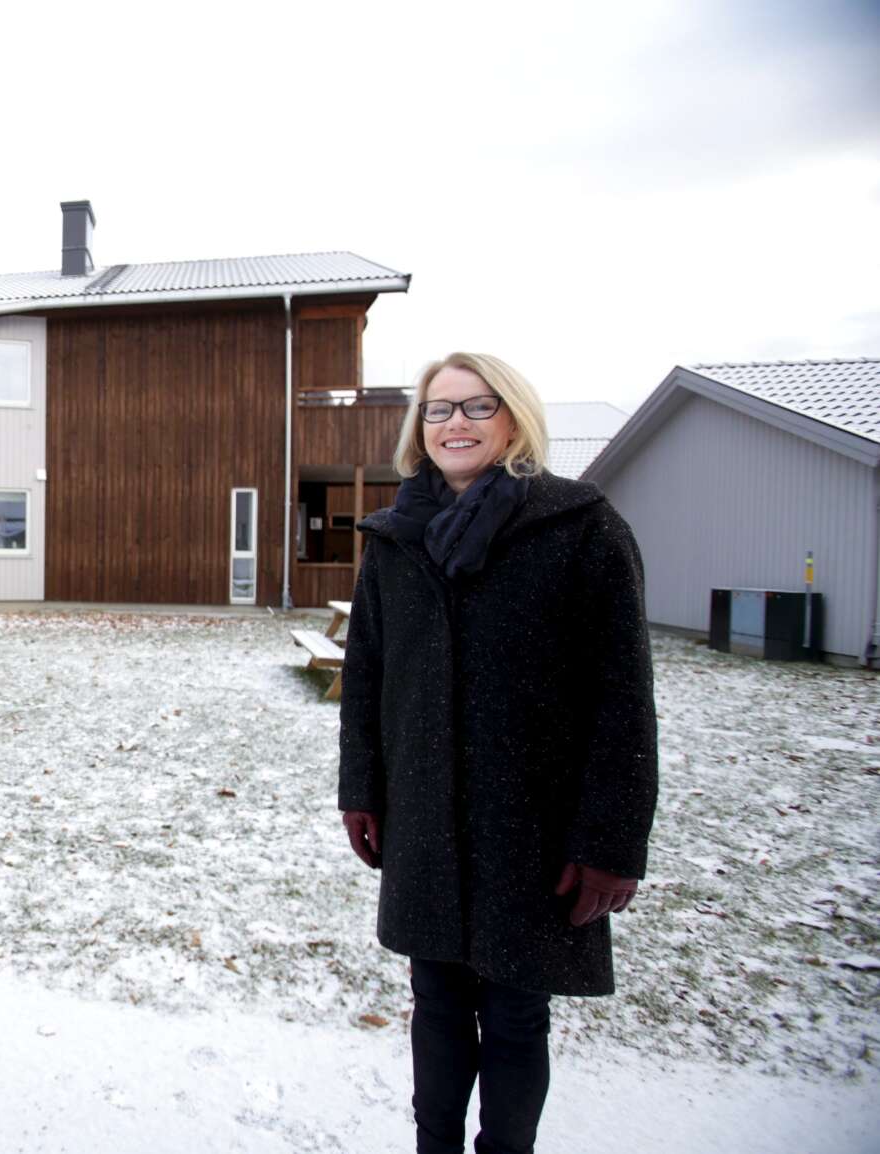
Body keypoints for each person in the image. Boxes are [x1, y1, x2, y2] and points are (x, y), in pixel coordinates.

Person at [337, 352, 658, 1154]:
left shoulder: (579, 528)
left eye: (476, 406)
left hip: (532, 826)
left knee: (516, 1011)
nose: (455, 423)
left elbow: (622, 700)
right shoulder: (394, 539)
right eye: (438, 409)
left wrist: (611, 842)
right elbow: (367, 676)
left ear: (513, 417)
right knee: (436, 999)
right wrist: (360, 788)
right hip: (424, 814)